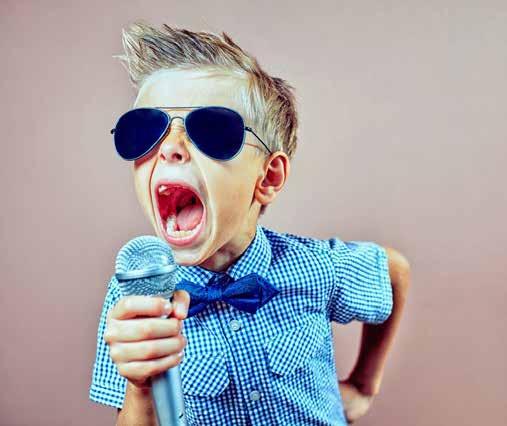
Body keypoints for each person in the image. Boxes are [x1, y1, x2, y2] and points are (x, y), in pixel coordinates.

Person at [89, 20, 411, 426]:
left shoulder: (318, 267)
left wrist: (364, 384)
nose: (169, 147)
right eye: (145, 131)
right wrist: (140, 386)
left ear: (268, 178)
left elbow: (394, 271)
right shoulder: (134, 295)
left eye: (211, 130)